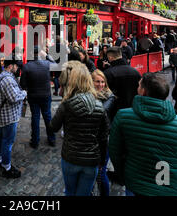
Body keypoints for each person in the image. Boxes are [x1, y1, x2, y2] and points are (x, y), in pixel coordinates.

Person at [109, 72, 177, 196]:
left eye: (139, 85)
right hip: (172, 187)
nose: (137, 88)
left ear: (143, 92)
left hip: (136, 184)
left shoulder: (123, 117)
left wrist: (124, 176)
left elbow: (115, 152)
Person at [49, 61, 109, 196]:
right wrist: (103, 159)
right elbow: (103, 137)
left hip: (71, 157)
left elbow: (53, 127)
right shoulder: (100, 106)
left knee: (70, 192)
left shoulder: (67, 105)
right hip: (91, 160)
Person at [0, 57, 27, 179]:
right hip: (9, 116)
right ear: (11, 66)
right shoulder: (8, 80)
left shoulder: (3, 76)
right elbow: (14, 97)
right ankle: (7, 167)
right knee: (7, 142)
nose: (17, 68)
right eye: (16, 66)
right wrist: (24, 93)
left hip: (3, 115)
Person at [20, 47, 55, 149]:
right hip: (45, 96)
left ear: (31, 53)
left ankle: (35, 141)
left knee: (35, 118)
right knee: (48, 117)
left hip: (33, 96)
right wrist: (47, 55)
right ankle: (51, 139)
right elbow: (58, 65)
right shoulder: (47, 64)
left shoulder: (27, 66)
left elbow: (23, 84)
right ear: (40, 53)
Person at [92, 69, 115, 196]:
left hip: (104, 138)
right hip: (90, 137)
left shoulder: (109, 95)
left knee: (101, 172)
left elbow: (102, 110)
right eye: (97, 82)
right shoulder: (87, 94)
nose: (100, 85)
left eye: (102, 82)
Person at [103, 47, 141, 122]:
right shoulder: (135, 71)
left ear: (110, 57)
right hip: (132, 110)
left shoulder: (108, 73)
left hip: (115, 112)